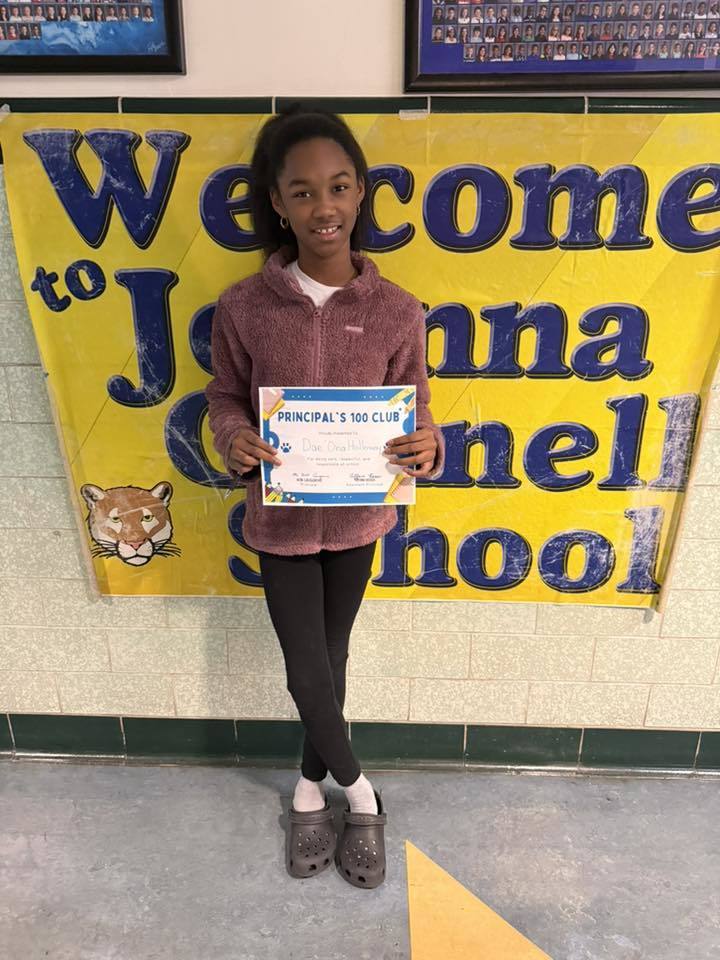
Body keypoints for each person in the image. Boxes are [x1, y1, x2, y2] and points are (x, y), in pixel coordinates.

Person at [205, 108, 443, 890]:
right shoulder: (244, 306)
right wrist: (234, 436)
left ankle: (309, 790)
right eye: (302, 193)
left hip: (359, 518)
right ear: (276, 202)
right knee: (306, 666)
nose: (324, 207)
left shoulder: (397, 310)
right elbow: (225, 400)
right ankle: (363, 793)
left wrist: (425, 447)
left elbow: (419, 410)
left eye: (339, 187)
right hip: (279, 520)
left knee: (333, 659)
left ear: (362, 191)